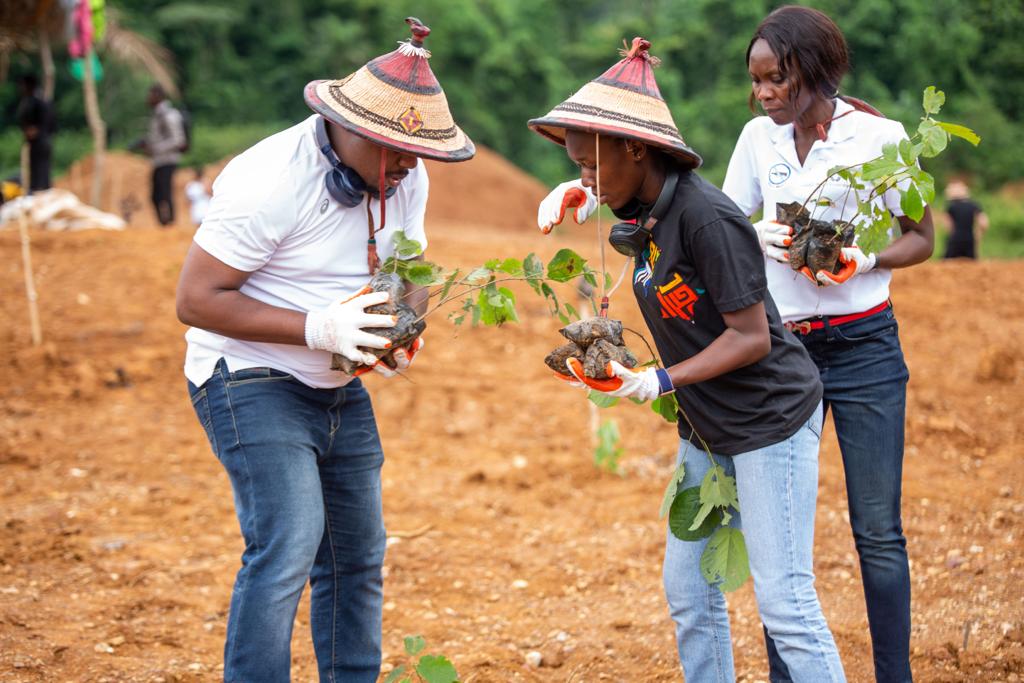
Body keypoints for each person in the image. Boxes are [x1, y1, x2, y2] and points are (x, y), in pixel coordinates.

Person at [531, 37, 846, 682]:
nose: (582, 177)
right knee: (689, 592)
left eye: (589, 166)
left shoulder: (706, 219)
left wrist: (657, 379)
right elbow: (629, 221)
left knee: (784, 603)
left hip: (769, 421)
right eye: (575, 168)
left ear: (636, 148)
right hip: (707, 428)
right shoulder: (644, 217)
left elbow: (752, 337)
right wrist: (587, 196)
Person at [174, 18, 473, 682]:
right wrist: (320, 328)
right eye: (393, 153)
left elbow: (411, 275)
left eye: (414, 155)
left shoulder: (404, 176)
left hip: (336, 386)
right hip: (247, 373)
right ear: (353, 130)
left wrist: (402, 330)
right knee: (287, 542)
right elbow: (195, 299)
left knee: (358, 553)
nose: (404, 169)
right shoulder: (271, 181)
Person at [720, 7, 934, 682]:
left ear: (813, 71)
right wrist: (761, 235)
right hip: (786, 355)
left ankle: (892, 674)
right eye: (757, 82)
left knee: (877, 532)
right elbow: (727, 227)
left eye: (776, 79)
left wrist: (863, 261)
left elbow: (921, 236)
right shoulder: (759, 139)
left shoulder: (882, 138)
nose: (764, 94)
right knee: (783, 544)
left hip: (866, 347)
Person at [139, 85, 186, 226]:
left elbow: (178, 139)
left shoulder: (168, 114)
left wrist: (155, 149)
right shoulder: (158, 114)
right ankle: (165, 224)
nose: (148, 98)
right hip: (159, 160)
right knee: (157, 195)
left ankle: (170, 224)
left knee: (165, 193)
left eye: (151, 95)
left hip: (167, 160)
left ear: (158, 96)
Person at [16, 74, 56, 193]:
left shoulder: (38, 101)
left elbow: (48, 121)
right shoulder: (33, 100)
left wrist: (37, 130)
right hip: (39, 141)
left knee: (41, 171)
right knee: (37, 170)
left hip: (41, 141)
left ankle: (41, 192)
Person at [941, 179, 988, 259]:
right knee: (972, 264)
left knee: (947, 263)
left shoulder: (951, 206)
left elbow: (947, 225)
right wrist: (977, 235)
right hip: (970, 239)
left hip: (955, 239)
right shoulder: (974, 205)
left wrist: (952, 235)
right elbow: (984, 223)